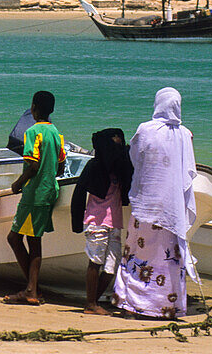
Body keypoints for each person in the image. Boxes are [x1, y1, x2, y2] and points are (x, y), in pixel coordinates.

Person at [112, 87, 197, 320]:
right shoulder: (185, 134)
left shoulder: (145, 129)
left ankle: (132, 304)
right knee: (167, 258)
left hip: (146, 205)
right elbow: (189, 171)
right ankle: (165, 306)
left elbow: (136, 158)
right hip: (171, 211)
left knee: (138, 252)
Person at [3, 90, 65, 305]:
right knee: (34, 240)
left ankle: (31, 289)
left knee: (14, 238)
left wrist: (18, 183)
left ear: (33, 108)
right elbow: (61, 165)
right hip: (49, 191)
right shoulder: (56, 133)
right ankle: (33, 289)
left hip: (34, 193)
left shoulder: (33, 132)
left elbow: (33, 164)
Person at [71, 128, 133, 315]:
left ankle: (93, 301)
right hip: (96, 221)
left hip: (115, 223)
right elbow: (79, 193)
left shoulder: (122, 168)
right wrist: (76, 223)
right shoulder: (95, 166)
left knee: (111, 267)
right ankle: (91, 304)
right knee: (95, 263)